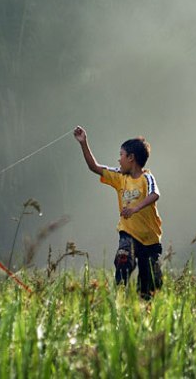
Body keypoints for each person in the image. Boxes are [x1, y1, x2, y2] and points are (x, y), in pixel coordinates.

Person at [74, 126, 163, 299]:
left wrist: (136, 208)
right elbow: (94, 167)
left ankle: (144, 308)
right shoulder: (119, 177)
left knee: (148, 285)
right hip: (128, 233)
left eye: (121, 155)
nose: (118, 160)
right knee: (123, 258)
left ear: (131, 158)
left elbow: (155, 194)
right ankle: (119, 298)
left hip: (150, 240)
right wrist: (83, 143)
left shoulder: (147, 178)